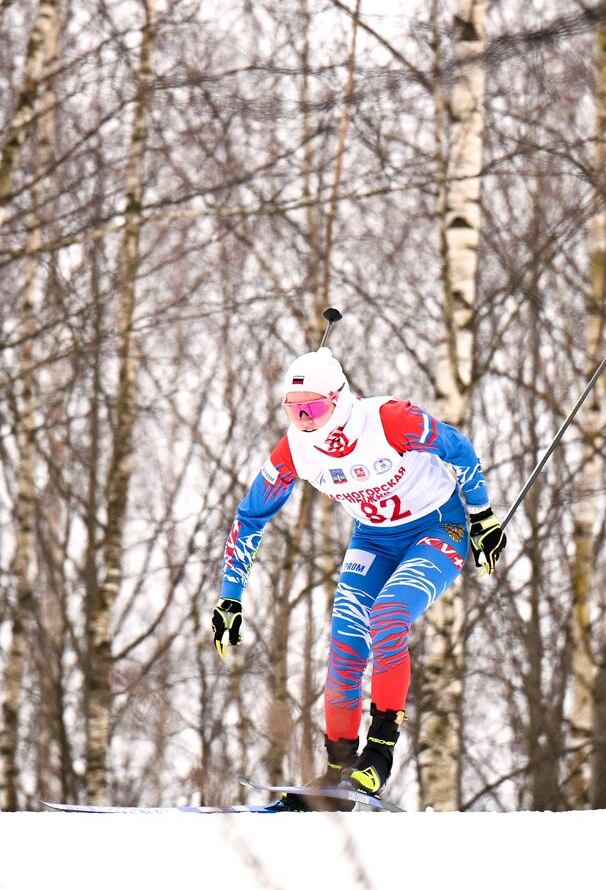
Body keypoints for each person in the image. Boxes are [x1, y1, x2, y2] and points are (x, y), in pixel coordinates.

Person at [210, 345, 505, 810]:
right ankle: (339, 768)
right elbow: (250, 517)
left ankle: (379, 755)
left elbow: (457, 447)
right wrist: (230, 597)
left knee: (388, 616)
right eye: (293, 409)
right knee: (346, 643)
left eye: (314, 407)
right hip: (374, 540)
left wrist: (483, 514)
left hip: (437, 528)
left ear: (340, 399)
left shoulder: (389, 421)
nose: (304, 419)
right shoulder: (295, 449)